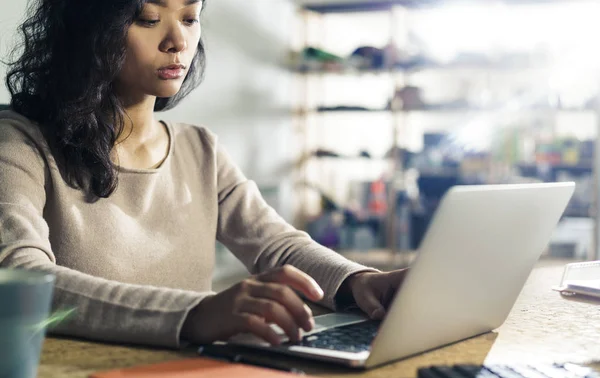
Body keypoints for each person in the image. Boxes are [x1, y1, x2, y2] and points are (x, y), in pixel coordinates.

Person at [0, 0, 407, 349]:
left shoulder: (201, 148)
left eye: (190, 18)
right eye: (148, 18)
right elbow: (21, 279)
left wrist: (358, 282)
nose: (177, 42)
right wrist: (195, 313)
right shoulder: (19, 141)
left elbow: (277, 246)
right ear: (88, 29)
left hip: (191, 376)